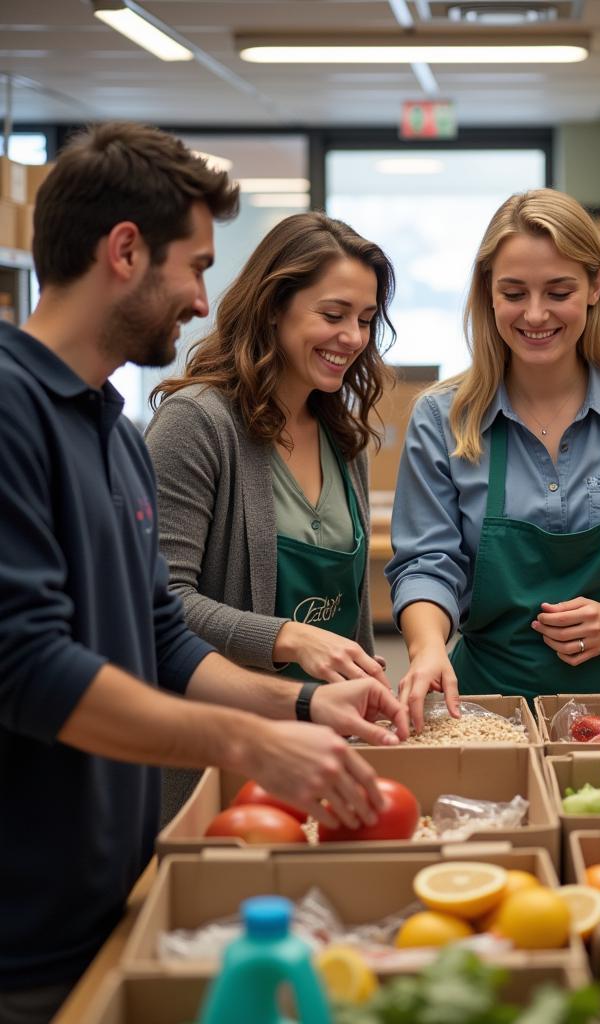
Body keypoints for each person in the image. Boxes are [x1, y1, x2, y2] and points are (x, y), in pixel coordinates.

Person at [0, 122, 407, 1024]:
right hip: (22, 918)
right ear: (124, 251)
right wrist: (246, 742)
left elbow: (158, 634)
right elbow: (26, 666)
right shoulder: (10, 411)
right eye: (193, 265)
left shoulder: (108, 425)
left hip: (114, 880)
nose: (198, 298)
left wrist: (300, 706)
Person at [387, 188, 600, 730]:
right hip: (486, 711)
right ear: (488, 294)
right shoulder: (442, 418)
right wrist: (427, 647)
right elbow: (428, 565)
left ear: (596, 286)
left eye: (558, 290)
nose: (535, 314)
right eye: (514, 292)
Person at [146, 214, 396, 815]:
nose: (353, 338)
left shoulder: (343, 436)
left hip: (327, 745)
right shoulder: (197, 425)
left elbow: (351, 617)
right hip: (225, 755)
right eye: (332, 315)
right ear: (273, 307)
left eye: (365, 320)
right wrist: (287, 636)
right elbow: (157, 602)